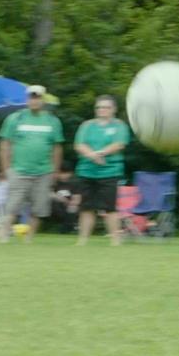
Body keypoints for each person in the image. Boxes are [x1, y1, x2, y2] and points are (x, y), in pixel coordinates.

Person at [0, 85, 64, 243]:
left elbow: (57, 148)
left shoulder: (53, 121)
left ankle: (29, 238)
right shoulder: (15, 118)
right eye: (31, 97)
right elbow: (5, 145)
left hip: (43, 171)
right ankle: (4, 236)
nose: (34, 101)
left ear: (43, 99)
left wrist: (55, 170)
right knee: (12, 206)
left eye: (37, 97)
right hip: (19, 171)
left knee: (39, 209)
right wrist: (6, 169)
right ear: (27, 99)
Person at [73, 94, 131, 246]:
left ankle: (115, 240)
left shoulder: (119, 126)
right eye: (99, 107)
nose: (102, 110)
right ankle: (82, 240)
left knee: (110, 209)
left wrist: (101, 153)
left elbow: (119, 144)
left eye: (106, 107)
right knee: (86, 208)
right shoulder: (86, 126)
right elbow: (79, 145)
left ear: (113, 109)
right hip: (86, 171)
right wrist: (92, 155)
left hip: (110, 172)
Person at [50, 161, 79, 234]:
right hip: (57, 206)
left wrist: (73, 202)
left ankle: (67, 228)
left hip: (70, 205)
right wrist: (62, 199)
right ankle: (69, 227)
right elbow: (49, 193)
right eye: (61, 173)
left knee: (72, 208)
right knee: (55, 204)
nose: (63, 176)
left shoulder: (74, 182)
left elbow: (77, 196)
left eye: (66, 173)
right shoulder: (54, 183)